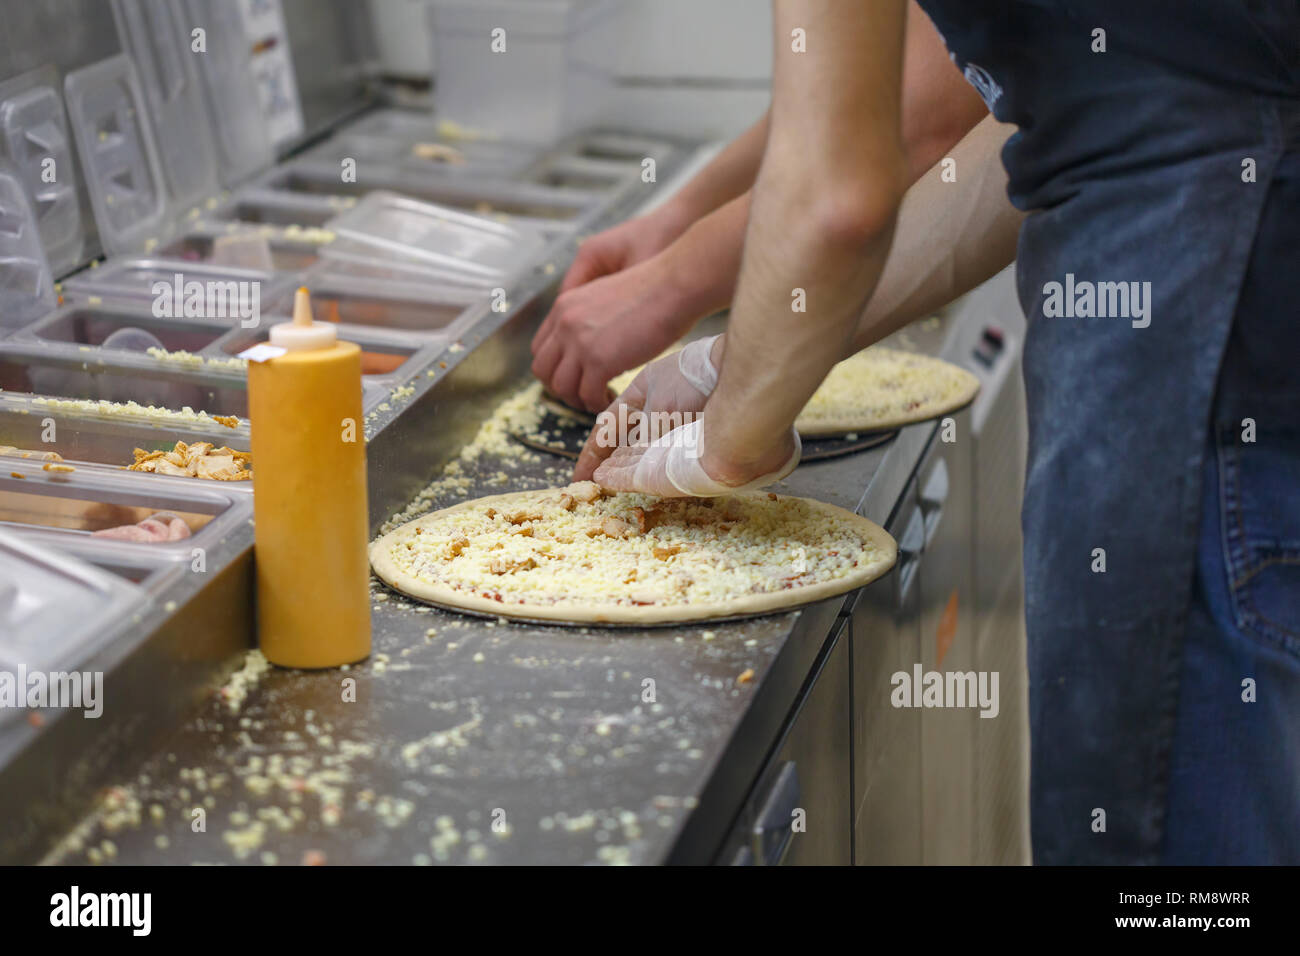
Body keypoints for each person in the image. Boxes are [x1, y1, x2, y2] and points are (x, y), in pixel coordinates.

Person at [534, 0, 1300, 864]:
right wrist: (725, 365)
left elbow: (847, 189)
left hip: (1201, 320)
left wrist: (720, 445)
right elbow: (1026, 131)